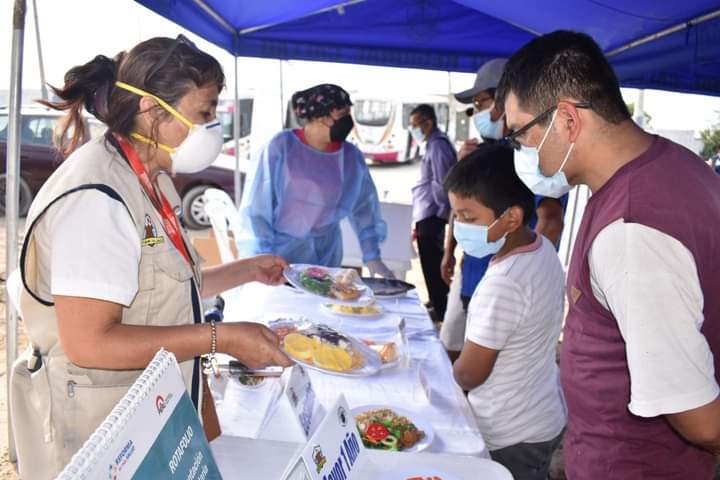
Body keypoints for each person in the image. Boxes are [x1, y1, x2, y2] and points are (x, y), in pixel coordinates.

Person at [10, 36, 293, 479]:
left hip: (150, 414)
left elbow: (159, 288)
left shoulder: (153, 179)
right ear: (154, 112)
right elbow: (90, 342)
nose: (213, 126)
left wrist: (245, 271)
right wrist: (223, 338)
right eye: (205, 113)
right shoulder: (96, 196)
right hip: (101, 430)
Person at [498, 30, 720, 478]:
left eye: (520, 133)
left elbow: (700, 419)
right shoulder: (674, 165)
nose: (520, 151)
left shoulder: (633, 232)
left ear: (566, 120)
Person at [449, 143, 566, 479]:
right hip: (541, 415)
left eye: (468, 218)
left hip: (509, 433)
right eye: (456, 215)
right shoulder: (541, 248)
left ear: (512, 217)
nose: (460, 227)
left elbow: (470, 374)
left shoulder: (504, 282)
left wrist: (443, 374)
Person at [440, 59, 566, 360]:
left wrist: (521, 274)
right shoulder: (483, 151)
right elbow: (462, 210)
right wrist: (450, 250)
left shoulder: (533, 159)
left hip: (504, 290)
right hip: (473, 275)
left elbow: (550, 220)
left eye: (482, 102)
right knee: (460, 346)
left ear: (506, 99)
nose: (479, 112)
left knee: (487, 365)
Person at [238, 84, 393, 277]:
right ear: (320, 116)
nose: (347, 121)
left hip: (326, 255)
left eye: (348, 113)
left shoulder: (350, 158)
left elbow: (364, 208)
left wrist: (372, 256)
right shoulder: (281, 148)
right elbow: (257, 210)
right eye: (341, 114)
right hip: (278, 256)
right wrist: (263, 254)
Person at [409, 104, 457, 320]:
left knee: (434, 260)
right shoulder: (431, 144)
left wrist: (441, 211)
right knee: (428, 262)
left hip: (432, 214)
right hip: (426, 212)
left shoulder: (438, 146)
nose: (413, 130)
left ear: (428, 123)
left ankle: (441, 307)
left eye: (415, 125)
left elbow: (442, 182)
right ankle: (435, 300)